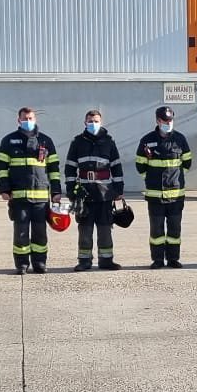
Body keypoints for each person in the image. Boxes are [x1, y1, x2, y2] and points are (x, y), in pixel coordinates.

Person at [0, 107, 62, 274]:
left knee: (40, 233)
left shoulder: (46, 141)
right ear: (18, 120)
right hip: (18, 198)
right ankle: (22, 264)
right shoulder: (9, 141)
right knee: (21, 232)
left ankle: (40, 262)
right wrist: (4, 189)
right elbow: (1, 167)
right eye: (25, 118)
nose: (28, 121)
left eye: (31, 118)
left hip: (41, 198)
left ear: (35, 119)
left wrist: (56, 191)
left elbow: (54, 168)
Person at [66, 108, 125, 271]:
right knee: (85, 228)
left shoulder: (109, 142)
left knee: (105, 227)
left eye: (96, 121)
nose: (93, 124)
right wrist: (71, 190)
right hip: (84, 193)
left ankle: (106, 260)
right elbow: (70, 167)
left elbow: (116, 167)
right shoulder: (77, 142)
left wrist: (118, 190)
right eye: (90, 121)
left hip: (105, 192)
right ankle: (84, 261)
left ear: (101, 122)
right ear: (85, 123)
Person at [135, 106, 192, 269]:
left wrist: (176, 177)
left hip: (176, 194)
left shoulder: (180, 139)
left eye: (170, 120)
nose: (168, 123)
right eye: (164, 121)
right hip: (155, 195)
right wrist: (151, 178)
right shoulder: (147, 140)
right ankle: (158, 259)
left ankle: (173, 259)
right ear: (158, 121)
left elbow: (187, 163)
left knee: (174, 229)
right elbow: (140, 165)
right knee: (156, 230)